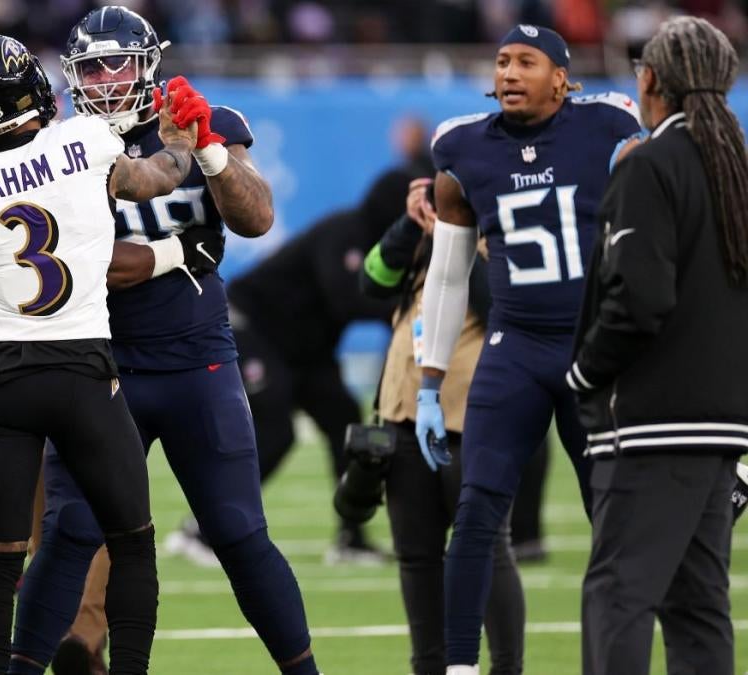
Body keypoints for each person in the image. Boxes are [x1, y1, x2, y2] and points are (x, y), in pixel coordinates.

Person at [10, 8, 321, 675]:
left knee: (239, 533)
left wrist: (209, 151)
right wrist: (181, 250)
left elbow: (256, 216)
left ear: (147, 62)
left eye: (116, 61)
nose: (104, 77)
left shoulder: (204, 120)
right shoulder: (57, 145)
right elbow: (88, 262)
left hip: (195, 363)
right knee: (71, 534)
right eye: (90, 66)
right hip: (101, 367)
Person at [0, 33, 199, 675]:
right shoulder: (87, 142)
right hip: (82, 373)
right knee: (132, 544)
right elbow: (158, 178)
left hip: (3, 380)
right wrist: (180, 139)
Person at [417, 25, 641, 674]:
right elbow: (450, 271)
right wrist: (431, 381)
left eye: (527, 61)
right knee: (477, 511)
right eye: (502, 61)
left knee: (616, 518)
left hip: (594, 353)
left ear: (562, 77)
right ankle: (461, 666)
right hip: (514, 348)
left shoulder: (607, 126)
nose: (510, 72)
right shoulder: (462, 149)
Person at [571, 17, 748, 675]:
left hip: (651, 422)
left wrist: (584, 375)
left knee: (618, 594)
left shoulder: (650, 164)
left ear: (650, 80)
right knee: (699, 607)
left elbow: (639, 299)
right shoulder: (736, 166)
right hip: (724, 424)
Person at [362, 178, 524, 674]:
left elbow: (492, 306)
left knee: (487, 548)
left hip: (470, 417)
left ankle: (506, 667)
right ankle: (429, 667)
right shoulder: (420, 237)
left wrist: (450, 241)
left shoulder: (499, 237)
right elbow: (372, 284)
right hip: (404, 417)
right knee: (416, 556)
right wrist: (408, 227)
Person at [223, 163, 412, 565]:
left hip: (303, 349)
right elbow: (346, 297)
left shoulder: (381, 244)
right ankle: (208, 528)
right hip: (253, 327)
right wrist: (406, 310)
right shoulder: (346, 233)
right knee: (275, 428)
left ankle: (352, 536)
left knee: (346, 421)